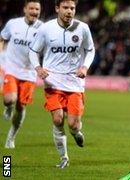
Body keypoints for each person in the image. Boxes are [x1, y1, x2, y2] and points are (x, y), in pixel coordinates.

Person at [29, 0, 95, 168]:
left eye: (72, 8)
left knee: (73, 124)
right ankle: (64, 158)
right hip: (52, 81)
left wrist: (85, 67)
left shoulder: (82, 28)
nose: (69, 11)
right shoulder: (46, 28)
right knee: (58, 119)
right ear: (57, 8)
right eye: (65, 8)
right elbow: (34, 51)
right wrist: (38, 68)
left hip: (75, 82)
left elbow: (90, 50)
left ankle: (76, 132)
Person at [0, 0, 42, 149]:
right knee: (9, 99)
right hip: (12, 69)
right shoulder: (13, 24)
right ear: (25, 9)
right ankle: (8, 107)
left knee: (21, 107)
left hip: (29, 73)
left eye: (37, 9)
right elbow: (2, 38)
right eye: (31, 8)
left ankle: (11, 137)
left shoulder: (43, 29)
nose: (34, 11)